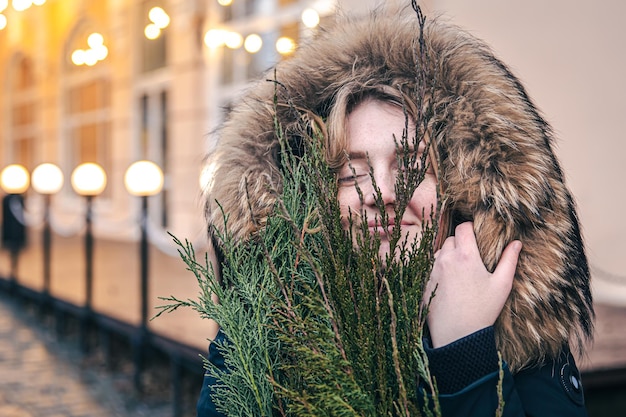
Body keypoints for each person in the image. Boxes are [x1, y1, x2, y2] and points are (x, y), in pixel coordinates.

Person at [197, 4, 593, 416]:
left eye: (413, 166)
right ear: (313, 197)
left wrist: (466, 349)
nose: (384, 192)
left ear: (461, 190)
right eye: (351, 173)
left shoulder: (518, 322)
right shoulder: (265, 329)